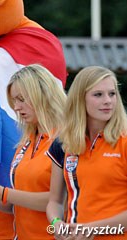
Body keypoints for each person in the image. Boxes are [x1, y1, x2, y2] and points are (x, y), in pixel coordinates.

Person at [0, 64, 67, 239]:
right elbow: (17, 205)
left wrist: (4, 193)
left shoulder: (66, 140)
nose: (16, 108)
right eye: (14, 101)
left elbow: (61, 202)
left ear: (42, 94)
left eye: (21, 99)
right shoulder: (26, 141)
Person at [46, 66, 127, 239]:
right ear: (79, 99)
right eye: (98, 95)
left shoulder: (124, 142)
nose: (108, 101)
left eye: (112, 94)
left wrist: (92, 229)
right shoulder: (63, 143)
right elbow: (54, 202)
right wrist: (56, 224)